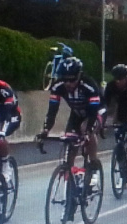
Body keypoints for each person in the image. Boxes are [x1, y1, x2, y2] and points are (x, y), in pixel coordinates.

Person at [38, 57, 104, 190]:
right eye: (65, 79)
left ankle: (93, 165)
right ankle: (70, 178)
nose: (68, 83)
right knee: (70, 139)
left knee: (86, 129)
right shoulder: (57, 86)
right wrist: (45, 130)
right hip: (77, 113)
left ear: (79, 75)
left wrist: (88, 132)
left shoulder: (88, 85)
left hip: (96, 111)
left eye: (72, 79)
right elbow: (52, 111)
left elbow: (92, 113)